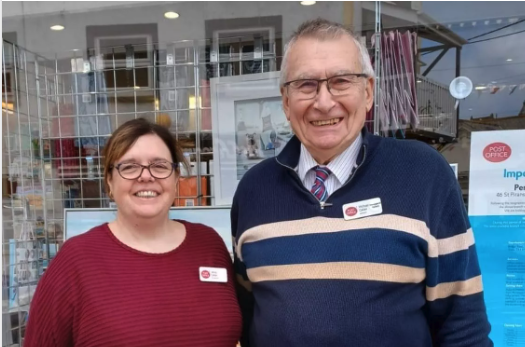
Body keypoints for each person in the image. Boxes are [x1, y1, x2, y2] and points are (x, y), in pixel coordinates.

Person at [231, 18, 493, 347]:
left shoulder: (423, 174)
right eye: (306, 85)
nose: (323, 102)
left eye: (340, 81)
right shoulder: (254, 190)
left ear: (367, 92)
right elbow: (246, 315)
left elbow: (462, 326)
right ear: (285, 101)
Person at [25, 118, 242, 346]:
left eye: (159, 166)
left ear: (176, 178)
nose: (146, 176)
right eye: (129, 167)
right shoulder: (75, 261)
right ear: (109, 181)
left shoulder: (209, 244)